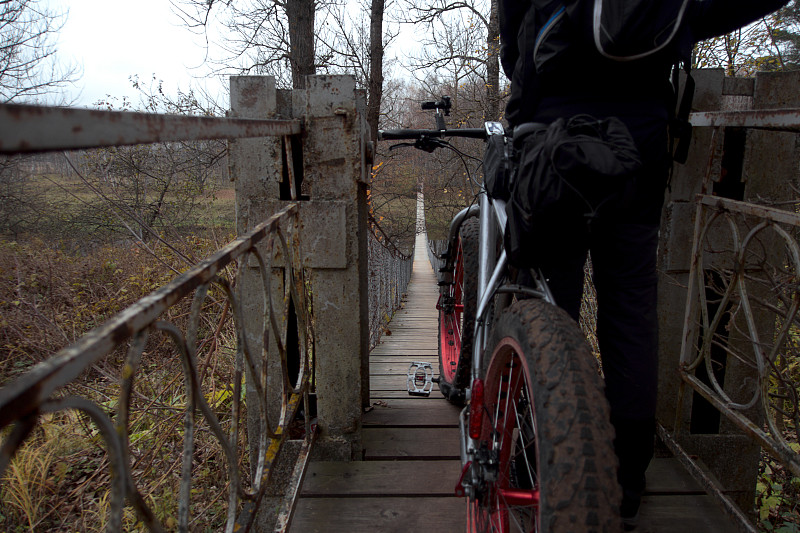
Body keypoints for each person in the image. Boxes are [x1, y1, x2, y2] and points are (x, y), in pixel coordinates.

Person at [498, 0, 790, 528]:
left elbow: (511, 40)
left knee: (545, 297)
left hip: (552, 141)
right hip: (639, 141)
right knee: (631, 304)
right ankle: (627, 477)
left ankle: (537, 457)